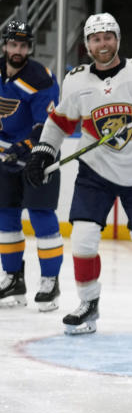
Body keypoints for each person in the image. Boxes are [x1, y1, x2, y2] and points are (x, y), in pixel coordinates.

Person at [25, 12, 132, 335]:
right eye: (95, 38)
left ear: (117, 39)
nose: (102, 43)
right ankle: (89, 304)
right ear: (87, 44)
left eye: (107, 37)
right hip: (96, 174)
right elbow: (59, 124)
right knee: (83, 240)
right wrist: (43, 152)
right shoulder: (76, 80)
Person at [0, 20, 62, 310]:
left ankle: (50, 281)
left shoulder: (41, 78)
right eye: (13, 44)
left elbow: (46, 125)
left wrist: (25, 147)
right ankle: (13, 278)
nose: (18, 50)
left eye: (23, 46)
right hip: (6, 159)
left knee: (40, 215)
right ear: (5, 45)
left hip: (40, 158)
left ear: (29, 48)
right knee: (6, 217)